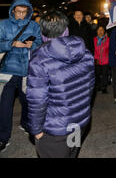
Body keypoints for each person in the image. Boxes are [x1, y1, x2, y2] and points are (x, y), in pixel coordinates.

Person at [26, 10, 95, 158]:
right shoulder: (86, 53)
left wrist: (36, 129)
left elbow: (37, 100)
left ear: (42, 33)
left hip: (54, 131)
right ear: (66, 29)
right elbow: (89, 89)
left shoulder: (39, 60)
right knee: (72, 153)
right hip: (78, 124)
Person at [0, 0, 42, 153]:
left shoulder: (33, 25)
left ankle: (25, 123)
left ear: (29, 11)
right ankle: (3, 137)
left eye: (24, 12)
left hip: (27, 71)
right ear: (13, 11)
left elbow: (39, 43)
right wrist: (11, 44)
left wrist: (34, 44)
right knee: (5, 106)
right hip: (7, 71)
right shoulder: (3, 24)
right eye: (18, 12)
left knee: (27, 102)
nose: (21, 15)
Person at [94, 25, 109, 94]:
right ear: (96, 31)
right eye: (99, 30)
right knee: (97, 74)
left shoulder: (107, 39)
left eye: (102, 30)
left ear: (104, 31)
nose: (100, 31)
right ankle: (98, 86)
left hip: (105, 60)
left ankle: (104, 87)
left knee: (104, 74)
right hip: (96, 60)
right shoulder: (94, 39)